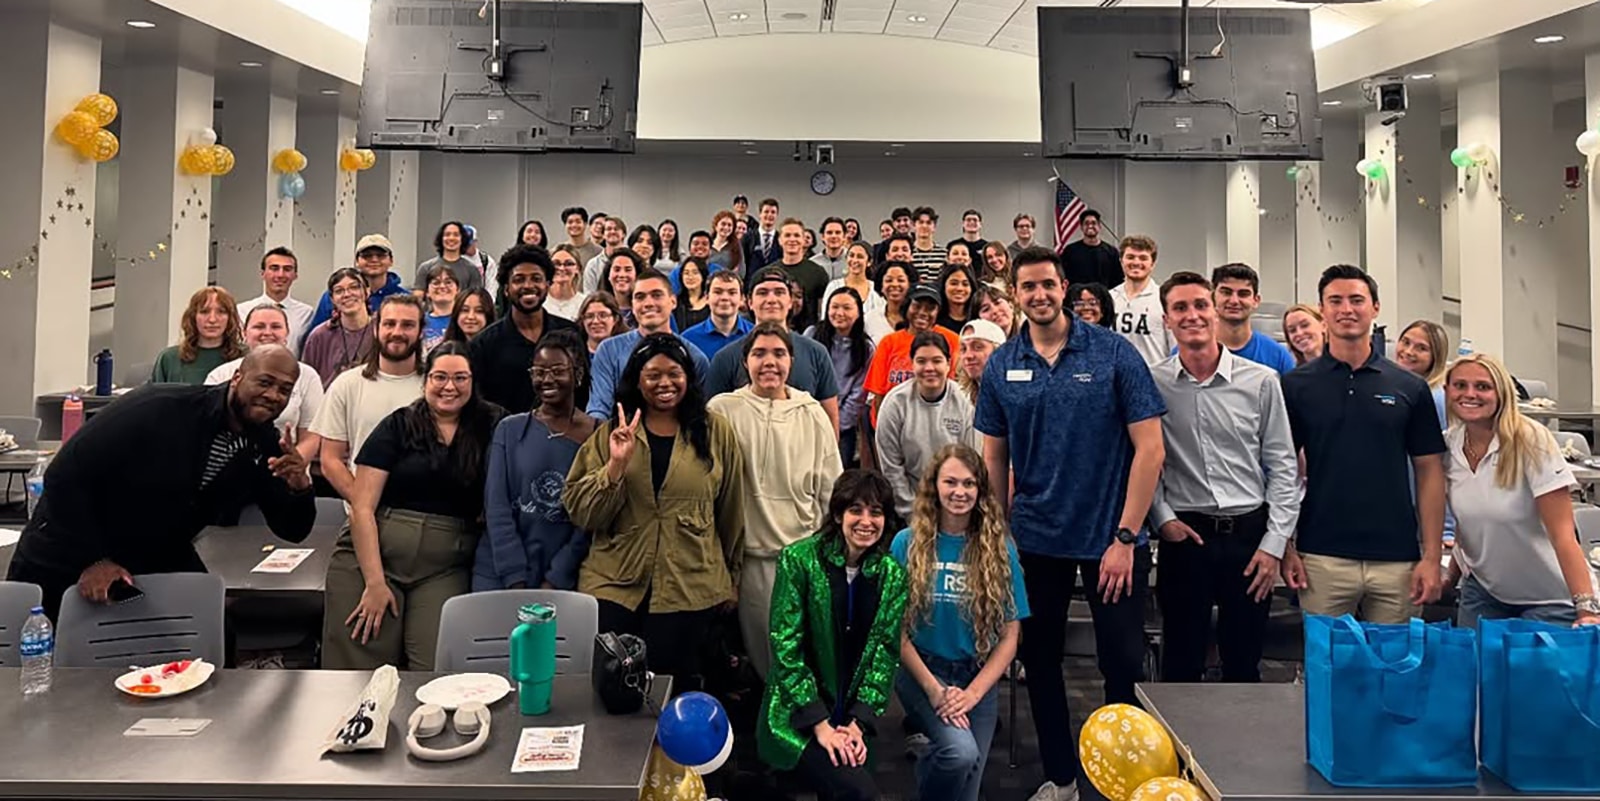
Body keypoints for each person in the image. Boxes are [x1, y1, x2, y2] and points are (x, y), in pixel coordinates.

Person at [976, 246, 1166, 801]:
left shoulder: (1113, 353)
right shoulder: (1001, 364)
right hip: (1036, 539)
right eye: (1027, 286)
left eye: (1048, 285)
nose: (1039, 295)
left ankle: (1122, 777)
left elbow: (1150, 450)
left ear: (1065, 289)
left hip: (1112, 539)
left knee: (1121, 663)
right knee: (1040, 661)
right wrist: (1000, 534)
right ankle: (1061, 776)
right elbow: (994, 457)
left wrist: (1127, 537)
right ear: (1015, 294)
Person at [8, 346, 315, 620]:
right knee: (52, 665)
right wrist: (94, 560)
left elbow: (292, 529)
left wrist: (301, 487)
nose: (274, 395)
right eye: (265, 382)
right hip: (68, 550)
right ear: (237, 377)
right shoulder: (159, 407)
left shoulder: (264, 444)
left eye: (284, 389)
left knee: (199, 629)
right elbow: (63, 474)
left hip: (153, 554)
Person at [565, 334, 747, 687]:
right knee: (617, 694)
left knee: (675, 694)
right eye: (653, 375)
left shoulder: (715, 432)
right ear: (637, 379)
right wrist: (615, 466)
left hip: (691, 586)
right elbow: (582, 513)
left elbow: (731, 510)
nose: (665, 383)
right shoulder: (612, 433)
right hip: (617, 586)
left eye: (674, 373)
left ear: (688, 377)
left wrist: (731, 577)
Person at [1149, 272, 1299, 683]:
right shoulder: (1154, 383)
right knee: (1180, 661)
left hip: (1249, 536)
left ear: (1214, 310)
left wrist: (1274, 544)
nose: (1192, 315)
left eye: (1200, 305)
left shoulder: (1261, 381)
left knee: (1244, 661)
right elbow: (1145, 459)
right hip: (1186, 535)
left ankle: (1244, 749)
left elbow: (1283, 465)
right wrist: (1162, 518)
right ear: (1166, 319)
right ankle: (1179, 750)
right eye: (1180, 308)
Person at [1280, 264, 1446, 623]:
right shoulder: (1296, 386)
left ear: (1375, 308)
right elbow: (1282, 469)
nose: (1346, 309)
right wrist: (1286, 546)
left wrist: (1431, 557)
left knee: (1394, 671)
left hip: (1397, 558)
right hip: (1321, 556)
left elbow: (1430, 472)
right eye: (1335, 301)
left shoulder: (1408, 386)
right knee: (1328, 670)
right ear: (1322, 311)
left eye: (1357, 300)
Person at [323, 342, 504, 670]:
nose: (450, 386)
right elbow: (363, 508)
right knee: (360, 665)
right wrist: (375, 583)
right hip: (374, 559)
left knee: (437, 667)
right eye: (440, 377)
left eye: (460, 378)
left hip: (444, 567)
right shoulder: (398, 425)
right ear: (425, 381)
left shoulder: (493, 424)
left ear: (473, 381)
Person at [757, 469, 908, 801]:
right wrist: (821, 725)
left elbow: (884, 656)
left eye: (876, 512)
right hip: (797, 716)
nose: (866, 521)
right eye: (856, 509)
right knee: (861, 794)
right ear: (838, 514)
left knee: (849, 785)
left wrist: (857, 724)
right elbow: (786, 649)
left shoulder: (892, 576)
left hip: (850, 721)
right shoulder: (798, 560)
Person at [893, 444, 1027, 801]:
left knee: (965, 787)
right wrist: (936, 692)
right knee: (961, 754)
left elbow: (1011, 634)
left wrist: (971, 694)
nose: (959, 492)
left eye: (969, 484)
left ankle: (928, 764)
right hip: (923, 674)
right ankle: (932, 764)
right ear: (934, 486)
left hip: (975, 678)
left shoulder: (999, 548)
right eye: (950, 481)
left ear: (980, 491)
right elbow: (894, 630)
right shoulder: (906, 544)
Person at [708, 323, 842, 679]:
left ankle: (810, 729)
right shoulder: (723, 410)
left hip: (802, 557)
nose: (770, 362)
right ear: (745, 362)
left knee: (803, 659)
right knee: (766, 663)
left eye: (779, 353)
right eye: (759, 353)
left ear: (792, 361)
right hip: (750, 561)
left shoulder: (811, 412)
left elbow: (831, 488)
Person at [1442, 353, 1600, 628]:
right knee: (1476, 670)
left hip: (1549, 595)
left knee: (1534, 671)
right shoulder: (1449, 445)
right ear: (1447, 390)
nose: (1470, 394)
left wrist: (1586, 609)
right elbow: (1467, 524)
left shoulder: (1530, 439)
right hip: (1485, 591)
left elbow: (1563, 534)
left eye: (1482, 387)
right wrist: (1450, 581)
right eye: (1460, 385)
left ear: (1501, 393)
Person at [476, 330, 596, 592]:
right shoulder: (509, 429)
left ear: (577, 375)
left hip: (563, 578)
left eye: (557, 370)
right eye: (539, 372)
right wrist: (514, 577)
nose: (547, 379)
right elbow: (497, 507)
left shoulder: (598, 435)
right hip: (500, 573)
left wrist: (557, 577)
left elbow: (590, 519)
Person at [311, 295, 427, 511]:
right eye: (389, 324)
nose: (397, 332)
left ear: (421, 331)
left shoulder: (436, 386)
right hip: (364, 514)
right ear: (376, 329)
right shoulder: (347, 384)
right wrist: (364, 504)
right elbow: (330, 460)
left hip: (423, 516)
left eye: (408, 325)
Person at [704, 267, 841, 433]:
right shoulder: (726, 358)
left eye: (779, 292)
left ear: (791, 301)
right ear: (749, 302)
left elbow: (830, 419)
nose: (771, 299)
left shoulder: (816, 353)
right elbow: (711, 421)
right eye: (762, 292)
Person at [876, 332, 981, 525]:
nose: (929, 368)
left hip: (956, 501)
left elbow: (972, 460)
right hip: (909, 504)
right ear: (912, 363)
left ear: (949, 363)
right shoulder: (895, 403)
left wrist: (956, 509)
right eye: (921, 361)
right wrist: (911, 512)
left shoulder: (964, 401)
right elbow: (891, 467)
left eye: (937, 361)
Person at [469, 244, 582, 414]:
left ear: (548, 285)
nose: (528, 285)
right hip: (505, 437)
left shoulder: (570, 333)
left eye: (536, 278)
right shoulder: (484, 344)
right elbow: (480, 404)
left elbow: (583, 392)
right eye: (519, 279)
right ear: (506, 289)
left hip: (563, 435)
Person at [586, 268, 713, 420]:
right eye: (640, 297)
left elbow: (700, 414)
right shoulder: (608, 351)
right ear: (632, 306)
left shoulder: (694, 357)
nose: (648, 303)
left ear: (673, 301)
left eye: (656, 295)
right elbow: (599, 409)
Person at [205, 305, 325, 462]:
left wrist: (289, 465)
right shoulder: (220, 374)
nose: (267, 332)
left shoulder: (308, 376)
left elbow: (312, 435)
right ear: (244, 333)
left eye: (276, 326)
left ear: (287, 334)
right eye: (259, 326)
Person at [863, 283, 959, 427]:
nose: (922, 312)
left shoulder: (952, 340)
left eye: (930, 308)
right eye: (917, 306)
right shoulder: (889, 343)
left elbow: (955, 391)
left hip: (936, 425)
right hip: (894, 424)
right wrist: (883, 430)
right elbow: (879, 394)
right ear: (907, 307)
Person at [810, 287, 874, 468]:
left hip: (843, 427)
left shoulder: (866, 348)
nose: (839, 313)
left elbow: (859, 393)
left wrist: (837, 424)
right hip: (809, 420)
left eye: (847, 308)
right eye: (834, 307)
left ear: (858, 313)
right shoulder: (812, 335)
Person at [308, 234, 409, 332]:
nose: (374, 259)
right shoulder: (337, 296)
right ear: (357, 261)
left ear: (391, 260)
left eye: (380, 255)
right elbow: (315, 337)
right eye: (367, 256)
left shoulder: (405, 298)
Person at [1208, 263, 1296, 375]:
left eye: (1243, 294)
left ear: (1256, 300)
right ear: (1212, 297)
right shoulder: (1188, 354)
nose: (1234, 300)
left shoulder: (1278, 356)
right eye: (1226, 292)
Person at [152, 286, 247, 384]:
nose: (212, 320)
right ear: (193, 317)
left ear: (230, 318)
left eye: (221, 312)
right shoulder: (169, 359)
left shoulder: (246, 358)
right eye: (204, 312)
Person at [235, 246, 315, 355]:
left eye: (287, 269)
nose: (280, 275)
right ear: (262, 273)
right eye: (274, 268)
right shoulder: (241, 311)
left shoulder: (306, 314)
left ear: (295, 275)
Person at [302, 268, 373, 389]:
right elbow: (306, 382)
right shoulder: (319, 336)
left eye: (354, 287)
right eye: (339, 291)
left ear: (367, 291)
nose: (347, 294)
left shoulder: (382, 332)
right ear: (332, 299)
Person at [1108, 235, 1171, 365]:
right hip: (1115, 381)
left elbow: (1175, 348)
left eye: (1143, 258)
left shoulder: (1164, 299)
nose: (1136, 263)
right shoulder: (1109, 298)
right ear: (1121, 261)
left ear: (1152, 264)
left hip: (1153, 380)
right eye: (1130, 257)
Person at [768, 218, 831, 332]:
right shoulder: (769, 273)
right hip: (774, 332)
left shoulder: (818, 272)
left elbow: (822, 311)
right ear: (779, 240)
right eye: (787, 235)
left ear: (803, 240)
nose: (792, 239)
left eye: (796, 235)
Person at [682, 271, 753, 359]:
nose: (725, 298)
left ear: (742, 299)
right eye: (718, 292)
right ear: (707, 298)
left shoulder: (754, 335)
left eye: (732, 292)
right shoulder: (688, 339)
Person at [824, 242, 886, 336]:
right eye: (851, 255)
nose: (854, 260)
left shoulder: (877, 289)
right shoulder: (834, 286)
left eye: (860, 256)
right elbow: (825, 318)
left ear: (869, 262)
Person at [1395, 319, 1450, 424]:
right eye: (1406, 342)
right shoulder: (1396, 385)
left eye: (1421, 348)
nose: (1408, 351)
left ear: (1435, 356)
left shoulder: (1435, 397)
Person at [414, 221, 484, 294]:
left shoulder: (472, 270)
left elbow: (476, 298)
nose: (451, 238)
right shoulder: (426, 268)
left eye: (456, 235)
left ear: (462, 239)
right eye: (447, 235)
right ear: (441, 239)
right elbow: (418, 297)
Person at [1059, 210, 1121, 289]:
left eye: (1093, 223)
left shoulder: (1112, 252)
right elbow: (1062, 277)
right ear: (1081, 227)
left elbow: (1117, 280)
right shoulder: (1070, 251)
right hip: (1077, 298)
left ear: (1099, 226)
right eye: (1086, 223)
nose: (1090, 226)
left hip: (1103, 298)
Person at [954, 319, 1006, 404]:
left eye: (978, 347)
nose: (968, 356)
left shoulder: (1017, 392)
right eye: (963, 349)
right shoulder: (960, 397)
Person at [864, 260, 913, 343]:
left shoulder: (917, 318)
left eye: (900, 280)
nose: (894, 284)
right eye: (889, 280)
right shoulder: (869, 319)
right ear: (881, 286)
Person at [583, 215, 629, 293]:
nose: (612, 231)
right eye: (608, 229)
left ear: (623, 234)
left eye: (616, 229)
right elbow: (589, 295)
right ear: (603, 235)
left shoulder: (633, 261)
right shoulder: (593, 265)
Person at [420, 264, 460, 353]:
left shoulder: (463, 320)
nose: (442, 286)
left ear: (458, 290)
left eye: (448, 282)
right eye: (436, 283)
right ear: (427, 292)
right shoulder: (420, 322)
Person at [544, 244, 589, 322]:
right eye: (556, 263)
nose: (562, 268)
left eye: (569, 264)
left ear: (578, 269)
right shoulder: (540, 301)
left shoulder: (585, 303)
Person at [578, 292, 627, 356]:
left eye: (603, 315)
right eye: (590, 316)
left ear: (615, 319)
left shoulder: (626, 351)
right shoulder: (573, 351)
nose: (596, 321)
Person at [936, 263, 979, 333]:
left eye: (965, 284)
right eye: (954, 283)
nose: (959, 288)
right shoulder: (935, 320)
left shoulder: (979, 319)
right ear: (944, 286)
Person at [605, 249, 642, 329]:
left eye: (628, 270)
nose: (622, 275)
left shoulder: (645, 308)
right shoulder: (601, 308)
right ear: (608, 275)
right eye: (617, 269)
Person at [673, 257, 712, 331]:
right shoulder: (675, 302)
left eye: (695, 272)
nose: (690, 277)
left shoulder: (711, 301)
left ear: (703, 275)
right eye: (686, 273)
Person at [743, 198, 782, 272]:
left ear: (777, 215)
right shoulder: (747, 238)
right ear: (760, 214)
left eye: (773, 212)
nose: (769, 215)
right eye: (766, 212)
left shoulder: (781, 239)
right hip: (752, 282)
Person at [910, 206, 945, 286]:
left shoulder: (944, 254)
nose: (924, 226)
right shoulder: (907, 253)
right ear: (913, 226)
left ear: (934, 227)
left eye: (929, 223)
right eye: (921, 222)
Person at [709, 210, 746, 278]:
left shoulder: (736, 246)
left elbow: (741, 271)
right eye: (723, 224)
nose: (726, 228)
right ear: (716, 226)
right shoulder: (707, 245)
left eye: (729, 225)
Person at [813, 217, 850, 281]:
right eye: (829, 233)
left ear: (844, 236)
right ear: (823, 237)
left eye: (838, 232)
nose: (833, 236)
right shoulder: (813, 263)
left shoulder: (852, 261)